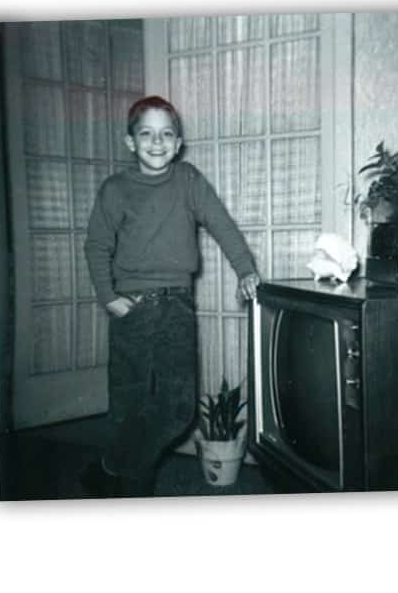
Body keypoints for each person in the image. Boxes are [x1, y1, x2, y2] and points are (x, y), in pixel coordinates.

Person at [79, 95, 261, 498]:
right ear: (131, 142)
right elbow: (96, 246)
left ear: (178, 143)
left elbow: (223, 226)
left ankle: (112, 466)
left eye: (166, 134)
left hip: (178, 306)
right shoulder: (116, 189)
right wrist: (109, 297)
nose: (157, 142)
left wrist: (245, 268)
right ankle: (132, 492)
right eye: (147, 133)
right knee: (131, 407)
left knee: (178, 410)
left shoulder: (188, 181)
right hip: (133, 311)